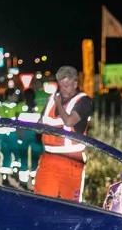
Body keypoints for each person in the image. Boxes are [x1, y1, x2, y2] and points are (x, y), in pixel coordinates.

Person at [34, 65, 92, 201]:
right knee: (42, 203)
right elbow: (40, 124)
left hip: (71, 162)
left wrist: (59, 104)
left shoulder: (84, 101)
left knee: (69, 207)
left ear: (75, 84)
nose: (63, 90)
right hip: (48, 160)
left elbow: (69, 122)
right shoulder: (51, 100)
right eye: (61, 86)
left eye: (66, 86)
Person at [14, 87, 44, 189]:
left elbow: (16, 122)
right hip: (31, 135)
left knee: (26, 158)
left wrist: (19, 132)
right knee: (32, 158)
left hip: (27, 135)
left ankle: (26, 182)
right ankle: (31, 181)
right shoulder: (39, 108)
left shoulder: (20, 106)